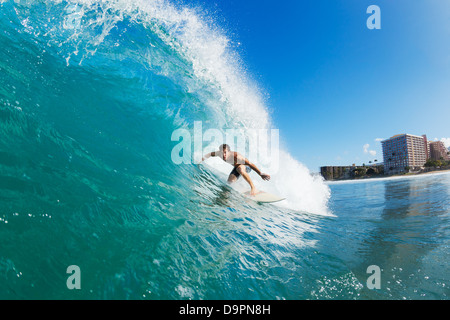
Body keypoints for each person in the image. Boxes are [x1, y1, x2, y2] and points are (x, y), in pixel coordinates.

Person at [200, 144, 270, 196]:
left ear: (229, 152)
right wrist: (200, 160)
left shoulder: (236, 156)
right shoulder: (219, 154)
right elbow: (209, 154)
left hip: (246, 167)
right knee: (229, 182)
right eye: (222, 152)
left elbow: (250, 164)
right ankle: (242, 187)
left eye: (225, 152)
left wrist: (260, 174)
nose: (223, 155)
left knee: (240, 169)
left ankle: (253, 187)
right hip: (236, 168)